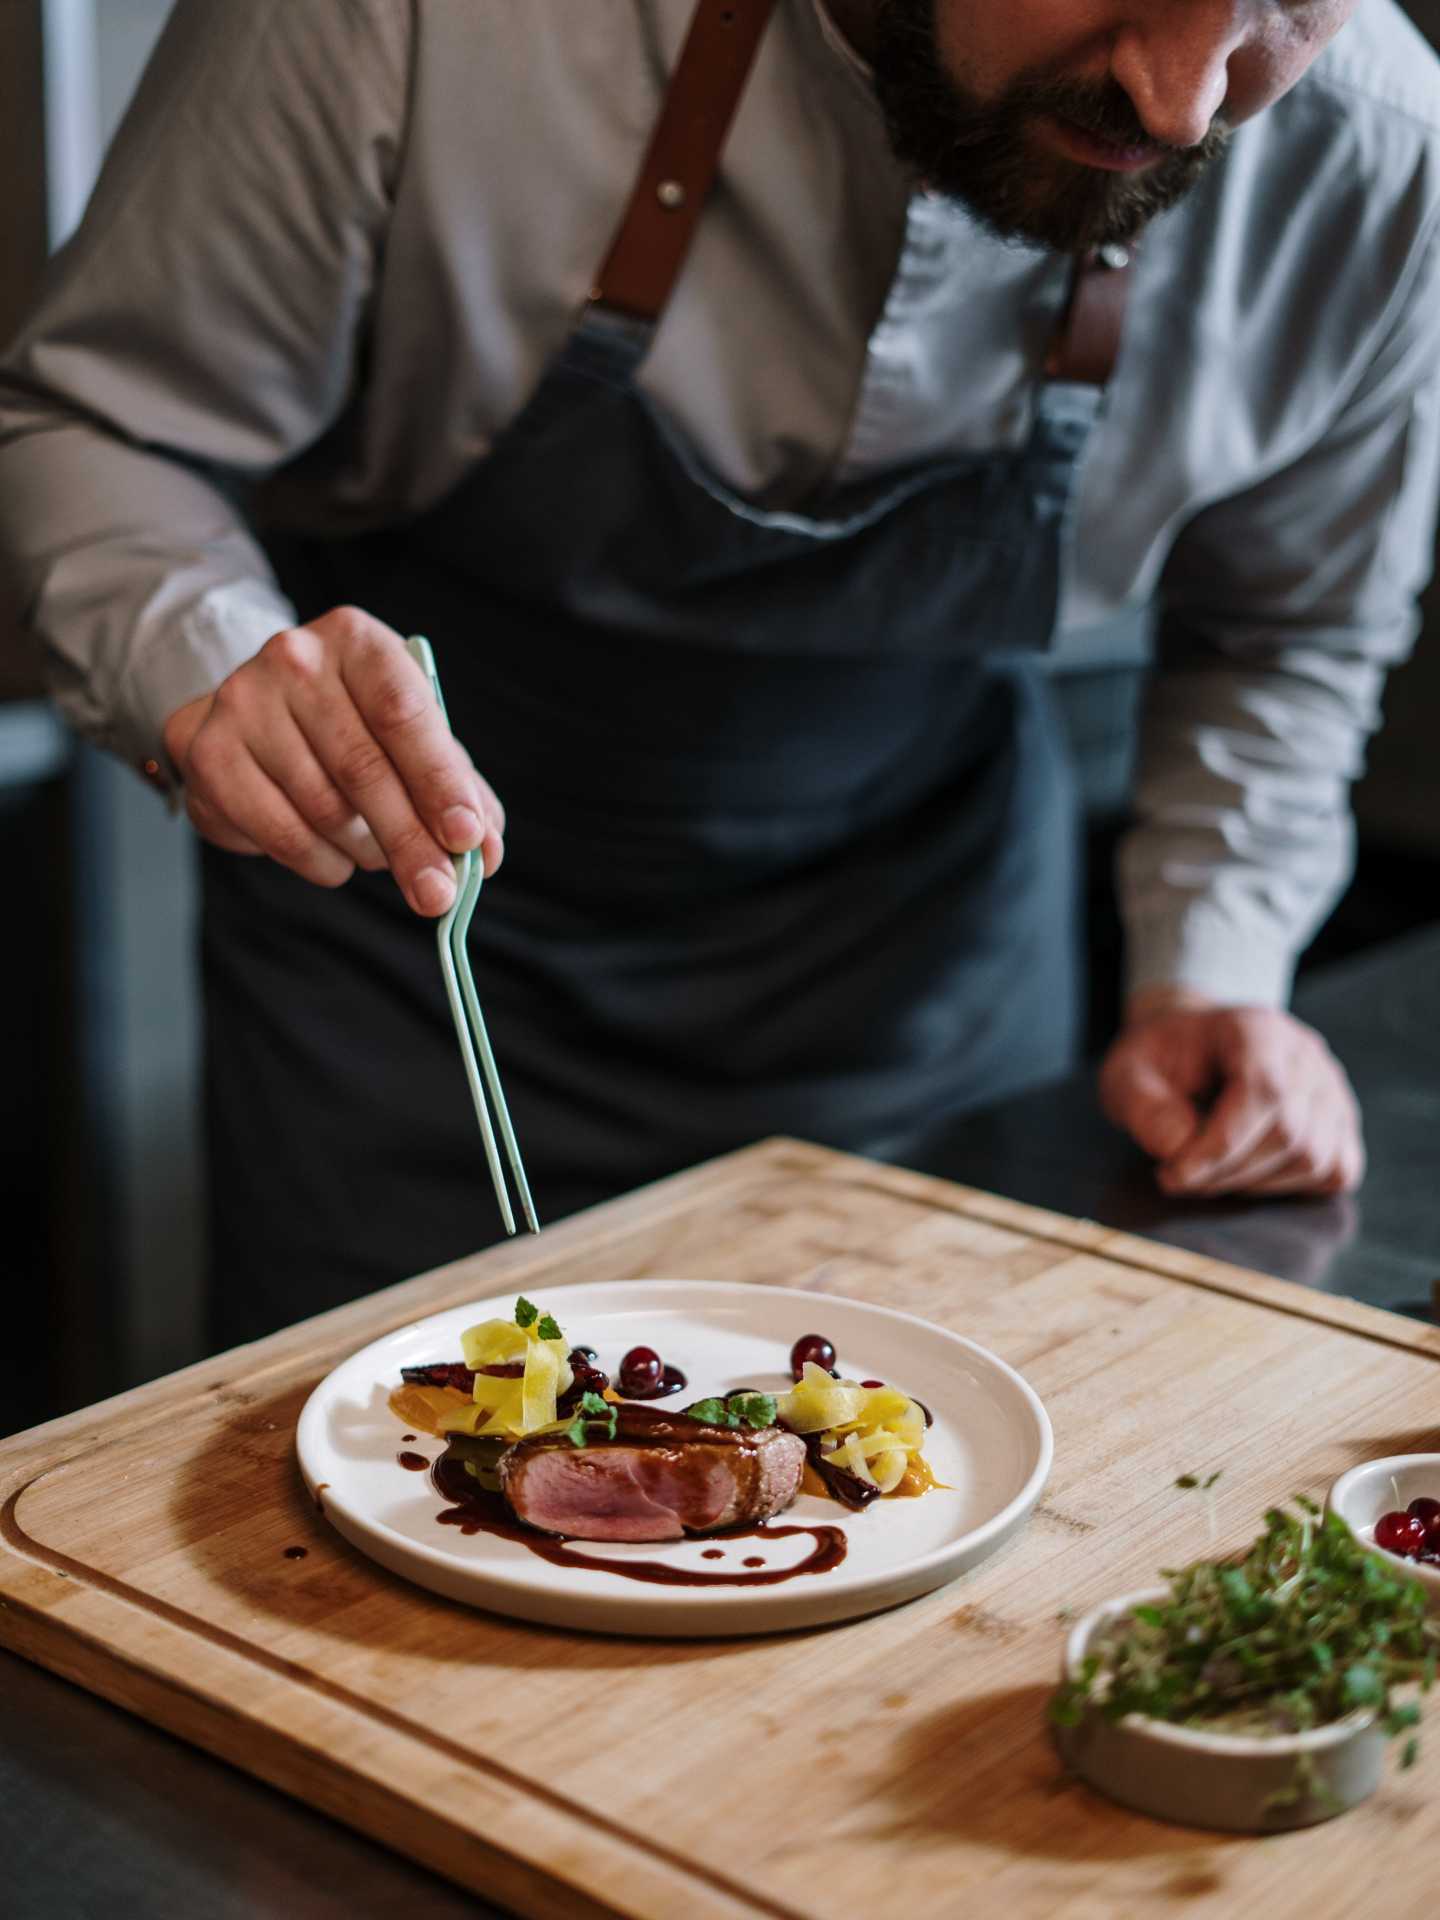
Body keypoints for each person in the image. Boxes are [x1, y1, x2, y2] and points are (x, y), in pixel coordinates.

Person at [2, 0, 1436, 1347]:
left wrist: (1215, 966)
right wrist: (214, 659)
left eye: (1278, 15)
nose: (1184, 104)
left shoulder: (1379, 152)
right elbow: (104, 423)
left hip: (927, 990)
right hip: (417, 995)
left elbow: (1285, 629)